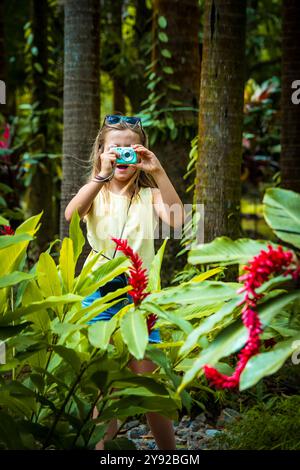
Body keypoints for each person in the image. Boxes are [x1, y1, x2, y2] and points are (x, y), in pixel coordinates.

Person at [65, 114, 185, 450]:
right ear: (101, 152)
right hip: (98, 299)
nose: (123, 157)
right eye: (114, 150)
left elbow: (177, 221)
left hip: (139, 302)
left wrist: (158, 172)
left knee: (149, 383)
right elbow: (71, 216)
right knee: (104, 384)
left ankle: (170, 454)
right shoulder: (96, 193)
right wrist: (100, 177)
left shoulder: (149, 197)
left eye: (131, 150)